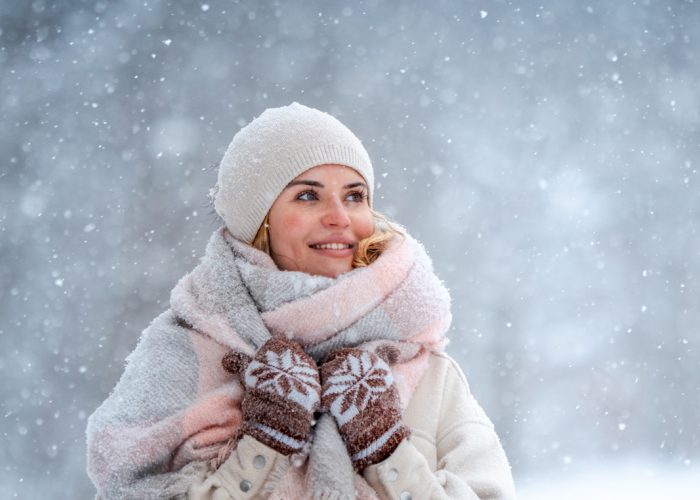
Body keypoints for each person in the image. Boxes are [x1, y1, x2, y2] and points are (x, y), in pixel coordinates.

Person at [86, 103, 516, 499]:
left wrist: (387, 453)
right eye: (307, 195)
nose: (340, 216)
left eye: (354, 195)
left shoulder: (423, 369)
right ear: (258, 221)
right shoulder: (182, 359)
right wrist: (263, 447)